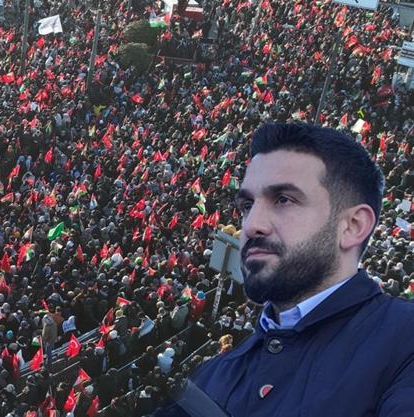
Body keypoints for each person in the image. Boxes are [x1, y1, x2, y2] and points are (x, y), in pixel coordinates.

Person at [171, 123, 414, 416]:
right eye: (247, 205)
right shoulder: (212, 375)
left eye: (283, 200)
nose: (250, 225)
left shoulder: (403, 344)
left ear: (352, 226)